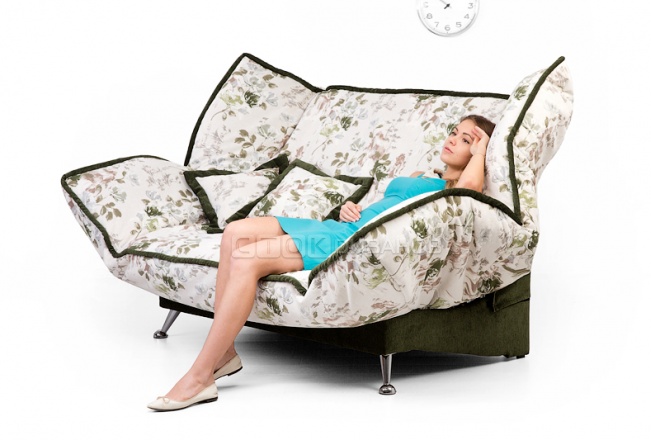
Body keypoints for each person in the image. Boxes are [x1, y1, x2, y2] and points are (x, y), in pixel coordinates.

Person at [147, 114, 495, 411]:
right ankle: (225, 353)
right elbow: (384, 208)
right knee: (235, 233)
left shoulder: (454, 196)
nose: (453, 140)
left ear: (476, 154)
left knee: (245, 258)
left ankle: (200, 376)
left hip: (345, 242)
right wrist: (352, 208)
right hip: (339, 227)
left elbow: (468, 191)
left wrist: (482, 151)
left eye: (466, 140)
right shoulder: (422, 178)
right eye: (454, 132)